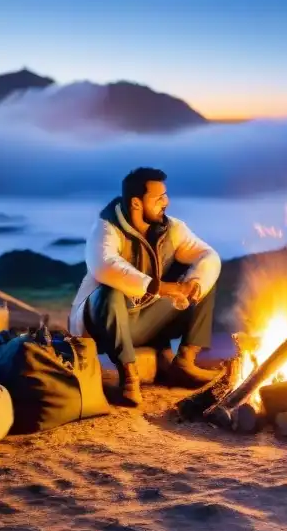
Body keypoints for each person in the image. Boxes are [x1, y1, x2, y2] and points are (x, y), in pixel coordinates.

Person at [68, 167, 222, 407]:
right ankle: (129, 377)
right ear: (136, 203)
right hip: (103, 326)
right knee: (109, 291)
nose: (166, 202)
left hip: (146, 320)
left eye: (166, 195)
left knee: (202, 279)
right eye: (158, 197)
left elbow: (208, 255)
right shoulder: (106, 228)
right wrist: (160, 288)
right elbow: (104, 265)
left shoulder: (173, 229)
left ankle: (184, 363)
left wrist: (193, 283)